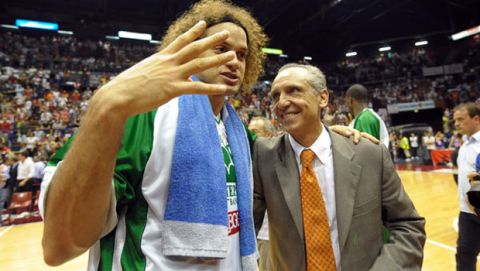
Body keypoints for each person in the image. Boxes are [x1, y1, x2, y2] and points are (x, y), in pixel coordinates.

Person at [40, 1, 268, 270]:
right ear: (190, 50)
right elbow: (61, 243)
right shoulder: (144, 114)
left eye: (242, 55)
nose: (233, 61)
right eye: (220, 49)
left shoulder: (238, 130)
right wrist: (105, 105)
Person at [253, 63, 426, 271]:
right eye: (275, 96)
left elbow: (408, 226)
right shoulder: (263, 156)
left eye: (294, 90)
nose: (281, 102)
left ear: (323, 98)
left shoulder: (369, 153)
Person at [452, 103, 480, 271]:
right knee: (464, 255)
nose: (456, 124)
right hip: (467, 213)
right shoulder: (464, 147)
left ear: (476, 119)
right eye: (455, 120)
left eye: (461, 119)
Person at [248, 116, 274, 271]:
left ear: (269, 136)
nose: (251, 138)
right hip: (249, 235)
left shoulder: (276, 156)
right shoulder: (246, 157)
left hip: (267, 235)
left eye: (255, 133)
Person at [345, 83, 390, 148]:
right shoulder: (366, 116)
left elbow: (367, 152)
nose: (346, 106)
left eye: (346, 102)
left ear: (350, 100)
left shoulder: (364, 118)